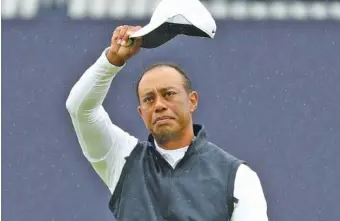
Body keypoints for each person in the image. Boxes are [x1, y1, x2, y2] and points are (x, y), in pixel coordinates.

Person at [66, 25, 269, 221]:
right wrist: (113, 60)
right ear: (141, 113)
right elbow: (80, 108)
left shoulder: (238, 177)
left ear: (192, 101)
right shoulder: (122, 159)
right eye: (148, 99)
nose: (159, 105)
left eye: (168, 94)